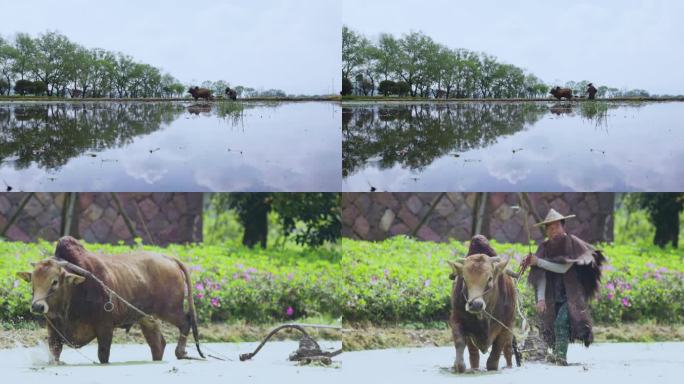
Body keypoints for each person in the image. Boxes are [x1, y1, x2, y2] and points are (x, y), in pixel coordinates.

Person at [523, 209, 605, 365]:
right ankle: (555, 355)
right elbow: (540, 276)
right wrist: (540, 299)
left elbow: (563, 268)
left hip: (572, 295)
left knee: (561, 321)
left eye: (556, 226)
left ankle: (560, 358)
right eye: (550, 228)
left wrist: (538, 261)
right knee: (551, 325)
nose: (553, 230)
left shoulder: (571, 242)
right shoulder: (544, 247)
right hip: (552, 296)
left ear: (563, 227)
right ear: (546, 230)